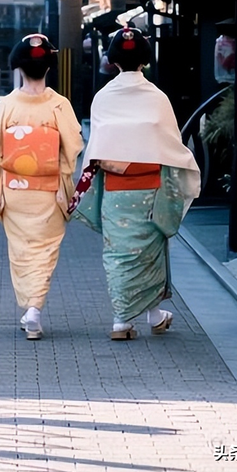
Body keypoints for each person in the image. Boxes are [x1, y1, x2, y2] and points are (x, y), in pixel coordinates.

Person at [73, 26, 200, 341]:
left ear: (113, 60)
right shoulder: (157, 98)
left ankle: (124, 320)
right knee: (151, 252)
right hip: (151, 189)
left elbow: (97, 150)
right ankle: (150, 316)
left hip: (117, 193)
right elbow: (172, 146)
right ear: (145, 59)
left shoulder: (103, 98)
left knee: (119, 254)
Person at [0, 34, 83, 339]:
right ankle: (34, 310)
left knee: (21, 251)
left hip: (15, 189)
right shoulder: (59, 105)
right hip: (49, 189)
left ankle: (30, 308)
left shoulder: (8, 105)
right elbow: (73, 146)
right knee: (45, 251)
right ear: (49, 68)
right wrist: (63, 177)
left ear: (19, 69)